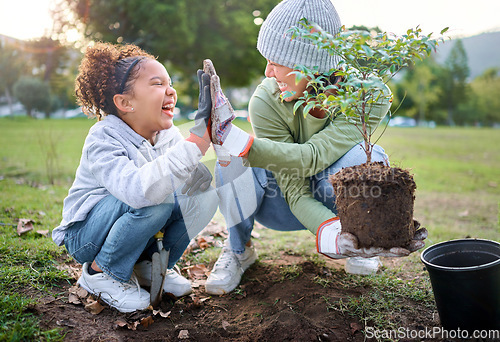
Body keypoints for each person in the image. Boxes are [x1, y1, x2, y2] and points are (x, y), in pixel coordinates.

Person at [204, 0, 427, 295]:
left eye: (276, 61)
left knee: (364, 155)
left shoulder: (369, 94)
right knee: (231, 162)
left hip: (336, 197)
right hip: (280, 202)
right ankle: (239, 249)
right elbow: (295, 190)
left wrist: (241, 142)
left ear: (309, 64)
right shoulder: (266, 101)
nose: (268, 72)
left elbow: (313, 157)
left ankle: (362, 239)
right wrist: (329, 233)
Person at [52, 42, 218, 312]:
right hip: (87, 235)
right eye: (157, 84)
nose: (171, 91)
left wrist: (195, 174)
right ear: (125, 102)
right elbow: (139, 191)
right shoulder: (103, 137)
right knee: (155, 197)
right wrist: (195, 145)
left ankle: (148, 266)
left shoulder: (167, 134)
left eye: (170, 83)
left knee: (205, 196)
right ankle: (101, 273)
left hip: (134, 222)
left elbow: (177, 176)